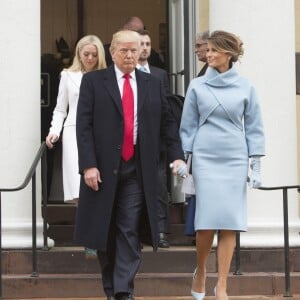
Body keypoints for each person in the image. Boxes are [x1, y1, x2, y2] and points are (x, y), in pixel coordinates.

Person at [75, 30, 187, 300]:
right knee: (106, 229)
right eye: (123, 50)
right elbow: (84, 126)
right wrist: (88, 165)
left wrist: (177, 155)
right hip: (102, 169)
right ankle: (113, 288)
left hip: (137, 167)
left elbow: (167, 123)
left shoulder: (152, 82)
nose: (129, 55)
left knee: (129, 228)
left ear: (140, 52)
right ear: (112, 52)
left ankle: (124, 291)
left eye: (133, 50)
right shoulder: (93, 81)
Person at [179, 30, 265, 300]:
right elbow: (188, 126)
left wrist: (256, 165)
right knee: (205, 223)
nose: (208, 54)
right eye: (207, 50)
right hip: (206, 158)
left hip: (234, 157)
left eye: (214, 50)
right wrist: (186, 161)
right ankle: (202, 271)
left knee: (230, 223)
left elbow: (254, 127)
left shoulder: (246, 87)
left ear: (228, 54)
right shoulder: (197, 86)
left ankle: (223, 284)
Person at [45, 35, 107, 257]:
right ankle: (89, 237)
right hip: (73, 132)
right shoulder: (67, 76)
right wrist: (54, 131)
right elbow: (61, 108)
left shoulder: (106, 76)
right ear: (78, 53)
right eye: (85, 53)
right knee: (79, 186)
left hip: (100, 134)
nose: (89, 58)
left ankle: (97, 235)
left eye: (94, 54)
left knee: (98, 184)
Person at [137, 29, 171, 248]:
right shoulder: (123, 74)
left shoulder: (159, 74)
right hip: (132, 143)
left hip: (156, 144)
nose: (145, 48)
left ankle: (160, 231)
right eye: (141, 44)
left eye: (148, 44)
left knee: (159, 187)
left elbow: (166, 108)